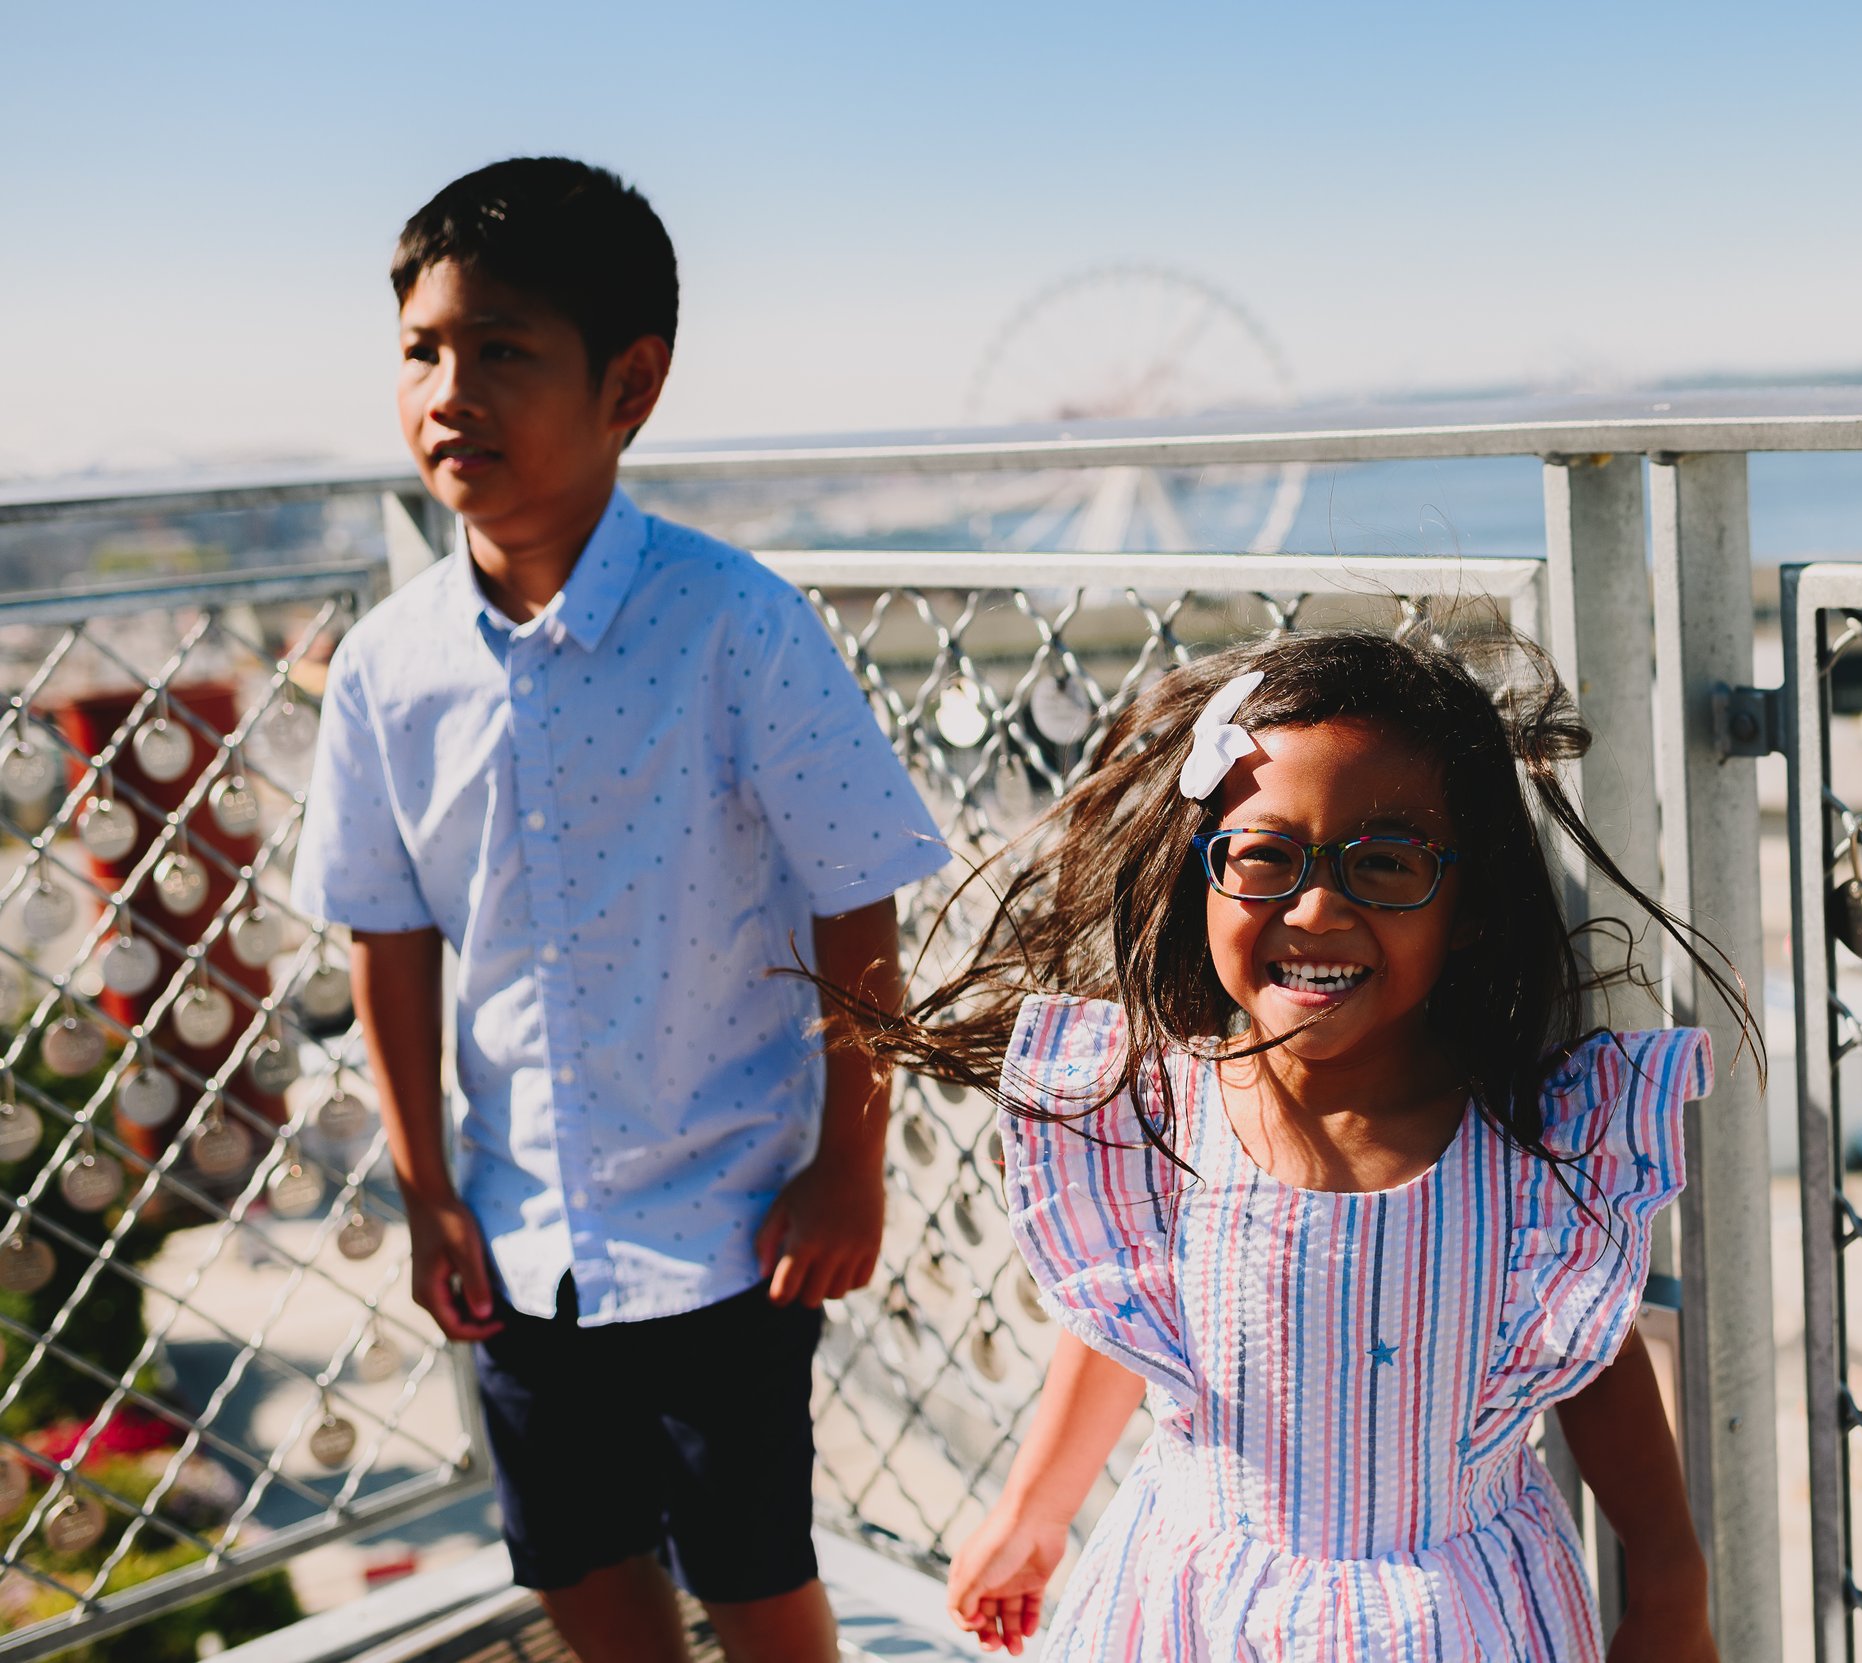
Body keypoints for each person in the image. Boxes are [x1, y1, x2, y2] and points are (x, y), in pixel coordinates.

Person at [293, 157, 949, 1663]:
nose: (450, 389)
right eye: (422, 349)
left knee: (757, 1572)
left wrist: (853, 1167)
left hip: (728, 1227)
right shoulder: (388, 668)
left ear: (629, 383)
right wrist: (427, 1185)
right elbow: (385, 938)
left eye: (503, 349)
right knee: (579, 1564)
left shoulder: (739, 627)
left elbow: (861, 907)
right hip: (515, 1231)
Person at [819, 629, 1760, 1660]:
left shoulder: (1534, 1154)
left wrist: (1670, 1580)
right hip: (1198, 1601)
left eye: (1386, 864)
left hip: (1447, 1616)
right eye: (1267, 856)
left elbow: (1592, 1358)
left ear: (1469, 903)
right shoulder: (1157, 1117)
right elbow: (1121, 1324)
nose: (1317, 908)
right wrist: (1033, 1512)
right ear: (1203, 874)